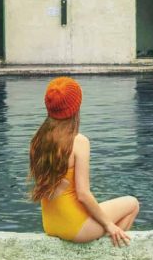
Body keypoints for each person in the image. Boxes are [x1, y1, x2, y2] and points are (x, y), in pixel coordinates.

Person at [29, 77, 140, 246]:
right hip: (75, 228)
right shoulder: (78, 141)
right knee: (132, 204)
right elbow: (83, 194)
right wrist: (109, 225)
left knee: (103, 211)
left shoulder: (38, 139)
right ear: (75, 107)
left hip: (51, 224)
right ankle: (108, 257)